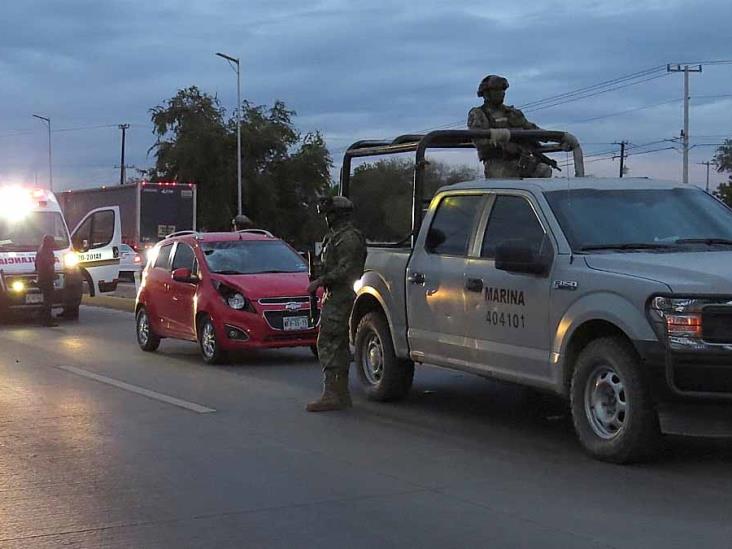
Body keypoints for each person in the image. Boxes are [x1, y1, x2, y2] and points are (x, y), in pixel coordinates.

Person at [306, 196, 367, 412]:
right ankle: (338, 393)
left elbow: (347, 270)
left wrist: (320, 281)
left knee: (329, 342)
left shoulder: (349, 238)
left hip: (342, 294)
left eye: (328, 214)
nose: (326, 219)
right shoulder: (335, 236)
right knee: (336, 343)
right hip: (334, 294)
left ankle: (333, 394)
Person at [467, 74, 555, 179]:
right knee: (507, 185)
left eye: (502, 90)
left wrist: (555, 138)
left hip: (522, 160)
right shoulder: (479, 114)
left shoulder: (513, 113)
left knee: (543, 170)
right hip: (497, 162)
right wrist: (503, 145)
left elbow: (532, 130)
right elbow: (478, 140)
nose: (501, 93)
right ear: (486, 93)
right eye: (497, 90)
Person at [35, 234, 57, 327]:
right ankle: (47, 320)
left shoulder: (40, 250)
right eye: (52, 241)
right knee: (48, 300)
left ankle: (44, 318)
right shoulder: (46, 251)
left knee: (46, 300)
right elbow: (49, 264)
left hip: (42, 278)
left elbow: (36, 265)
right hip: (46, 279)